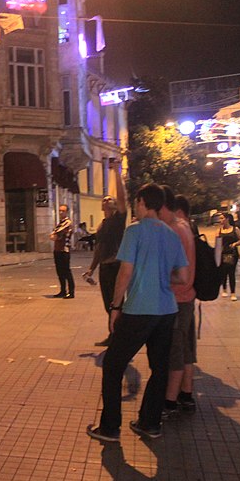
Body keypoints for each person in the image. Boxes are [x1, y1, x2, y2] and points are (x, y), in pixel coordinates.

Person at [86, 183, 188, 442]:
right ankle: (149, 423)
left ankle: (110, 427)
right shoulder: (171, 233)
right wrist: (160, 275)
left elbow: (125, 272)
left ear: (142, 202)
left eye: (137, 203)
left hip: (139, 309)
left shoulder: (135, 231)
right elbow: (182, 276)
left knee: (113, 364)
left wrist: (115, 306)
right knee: (159, 367)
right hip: (166, 310)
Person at [160, 189, 198, 418]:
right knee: (185, 349)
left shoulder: (174, 230)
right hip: (187, 297)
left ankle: (170, 401)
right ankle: (186, 394)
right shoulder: (185, 225)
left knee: (175, 351)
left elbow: (178, 273)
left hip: (177, 298)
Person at [83, 160, 127, 346]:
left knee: (117, 303)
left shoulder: (118, 220)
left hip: (116, 265)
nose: (106, 200)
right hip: (105, 266)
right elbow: (99, 248)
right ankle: (114, 334)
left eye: (110, 199)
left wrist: (117, 173)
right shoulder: (102, 224)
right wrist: (91, 269)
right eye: (105, 199)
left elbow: (123, 199)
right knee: (107, 303)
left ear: (115, 205)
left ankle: (120, 337)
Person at [49, 204, 75, 298]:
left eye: (63, 211)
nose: (60, 212)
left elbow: (58, 232)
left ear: (66, 212)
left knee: (66, 271)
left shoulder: (67, 222)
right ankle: (63, 290)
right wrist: (54, 234)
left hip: (64, 250)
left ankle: (71, 292)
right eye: (59, 211)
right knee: (60, 271)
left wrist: (54, 234)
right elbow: (54, 234)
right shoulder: (60, 222)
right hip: (58, 249)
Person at [217, 212, 240, 301]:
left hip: (232, 254)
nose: (220, 220)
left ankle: (233, 293)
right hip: (222, 254)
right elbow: (217, 243)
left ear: (227, 219)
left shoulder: (235, 229)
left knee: (231, 272)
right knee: (223, 272)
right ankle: (224, 289)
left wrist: (235, 244)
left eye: (222, 218)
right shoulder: (220, 230)